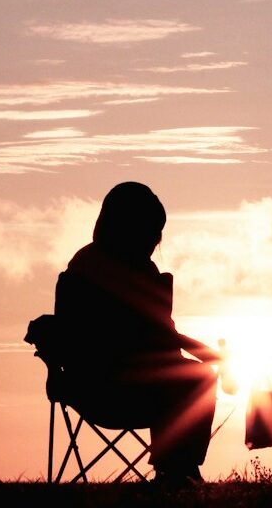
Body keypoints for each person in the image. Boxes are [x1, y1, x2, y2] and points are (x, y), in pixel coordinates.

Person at [47, 182, 220, 483]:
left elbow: (161, 335)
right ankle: (178, 470)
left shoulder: (86, 264)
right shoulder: (105, 270)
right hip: (111, 388)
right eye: (151, 231)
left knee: (190, 378)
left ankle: (177, 468)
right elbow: (156, 335)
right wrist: (210, 355)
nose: (155, 240)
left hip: (86, 385)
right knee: (199, 379)